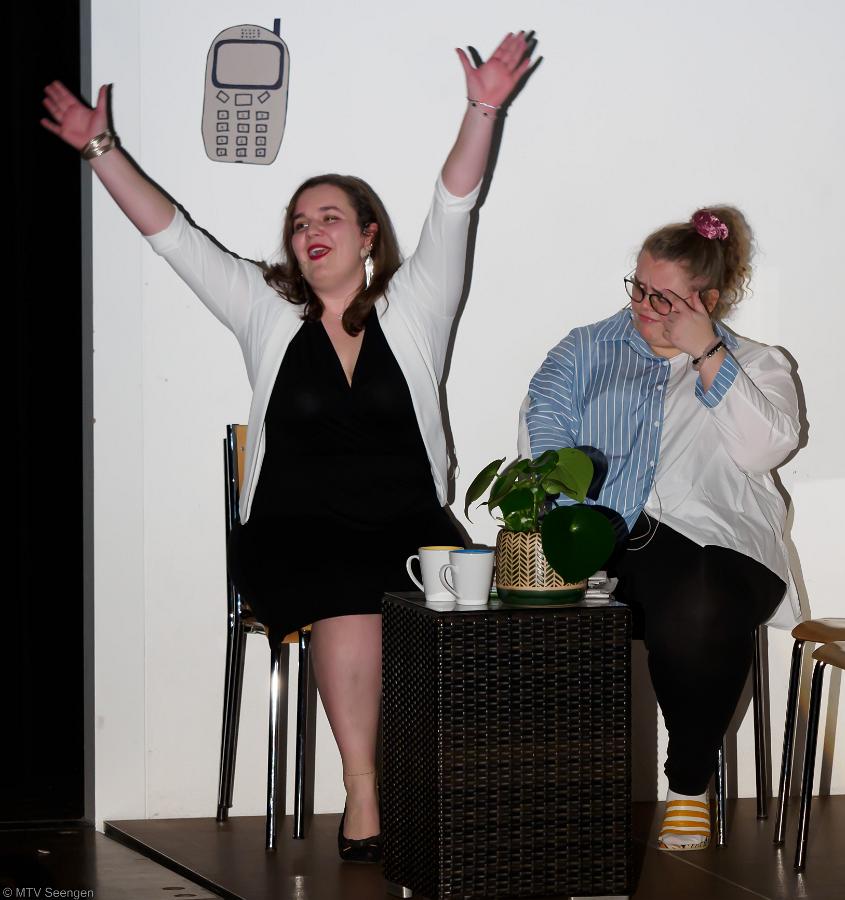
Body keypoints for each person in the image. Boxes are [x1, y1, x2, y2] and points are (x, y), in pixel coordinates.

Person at [43, 30, 537, 861]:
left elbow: (454, 204)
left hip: (407, 525)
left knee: (461, 590)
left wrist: (483, 107)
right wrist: (101, 149)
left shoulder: (416, 309)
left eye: (330, 217)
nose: (311, 231)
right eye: (300, 222)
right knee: (349, 587)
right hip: (293, 529)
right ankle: (365, 792)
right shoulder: (265, 312)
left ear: (369, 235)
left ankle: (462, 799)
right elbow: (175, 237)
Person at [523, 206, 801, 851]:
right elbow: (543, 431)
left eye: (664, 298)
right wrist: (574, 518)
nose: (643, 307)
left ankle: (689, 784)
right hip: (611, 548)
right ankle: (564, 796)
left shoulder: (757, 363)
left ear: (707, 302)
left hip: (725, 554)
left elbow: (763, 449)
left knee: (702, 590)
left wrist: (707, 353)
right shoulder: (586, 348)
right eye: (638, 287)